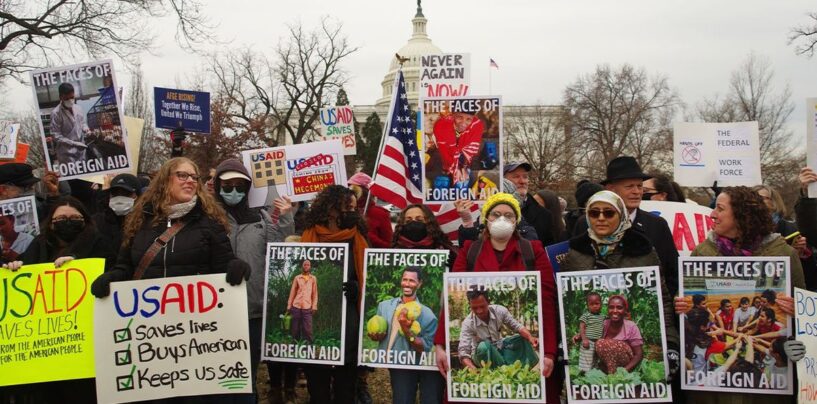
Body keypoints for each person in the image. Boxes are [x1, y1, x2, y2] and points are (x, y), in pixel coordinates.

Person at [674, 186, 806, 404]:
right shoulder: (703, 252)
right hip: (713, 396)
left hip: (766, 394)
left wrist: (797, 309)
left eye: (720, 209)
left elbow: (807, 309)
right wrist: (680, 304)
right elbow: (683, 297)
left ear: (741, 214)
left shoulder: (783, 253)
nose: (712, 214)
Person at [434, 192, 560, 404]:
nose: (502, 219)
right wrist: (440, 346)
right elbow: (449, 300)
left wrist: (547, 352)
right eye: (496, 214)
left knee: (520, 341)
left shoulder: (533, 251)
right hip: (483, 356)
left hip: (502, 349)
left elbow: (546, 302)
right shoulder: (469, 251)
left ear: (516, 221)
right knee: (484, 349)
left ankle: (524, 368)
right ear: (486, 219)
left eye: (509, 215)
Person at [2, 196, 116, 404]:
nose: (68, 222)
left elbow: (112, 274)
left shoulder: (100, 244)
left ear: (85, 220)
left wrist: (78, 264)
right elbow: (25, 281)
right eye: (61, 219)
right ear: (51, 223)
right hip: (48, 352)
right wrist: (15, 268)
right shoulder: (39, 245)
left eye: (74, 218)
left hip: (86, 348)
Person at [561, 190, 681, 374]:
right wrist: (561, 343)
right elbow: (562, 303)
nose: (601, 218)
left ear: (622, 215)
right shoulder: (575, 254)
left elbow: (662, 302)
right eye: (594, 213)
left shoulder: (643, 251)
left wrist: (671, 344)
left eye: (609, 213)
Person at [90, 157, 249, 293]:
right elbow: (125, 266)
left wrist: (235, 266)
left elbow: (224, 264)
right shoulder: (140, 220)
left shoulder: (210, 221)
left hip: (195, 314)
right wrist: (112, 277)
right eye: (182, 175)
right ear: (165, 180)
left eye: (194, 177)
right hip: (149, 312)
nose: (190, 181)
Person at [213, 157, 294, 403]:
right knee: (219, 373)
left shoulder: (261, 218)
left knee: (247, 372)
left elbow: (279, 252)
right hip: (216, 311)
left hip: (254, 309)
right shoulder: (208, 218)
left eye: (239, 186)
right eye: (227, 186)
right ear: (217, 186)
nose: (234, 191)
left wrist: (286, 218)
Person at [299, 185, 369, 404]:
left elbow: (368, 275)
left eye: (354, 208)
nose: (352, 212)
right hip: (316, 316)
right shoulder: (308, 236)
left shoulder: (358, 238)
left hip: (349, 319)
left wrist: (358, 288)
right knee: (318, 388)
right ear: (330, 209)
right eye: (347, 208)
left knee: (345, 388)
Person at [573, 156, 679, 296]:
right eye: (629, 186)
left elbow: (673, 274)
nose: (637, 192)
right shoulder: (585, 223)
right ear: (611, 189)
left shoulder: (657, 225)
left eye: (639, 186)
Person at [388, 204, 452, 404]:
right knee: (402, 398)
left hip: (435, 349)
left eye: (419, 220)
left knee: (432, 398)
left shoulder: (447, 251)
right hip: (402, 358)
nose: (413, 224)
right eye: (408, 220)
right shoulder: (391, 252)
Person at [457, 288, 540, 370]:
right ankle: (497, 370)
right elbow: (463, 352)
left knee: (522, 338)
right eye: (474, 308)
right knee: (483, 347)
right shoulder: (468, 323)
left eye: (482, 306)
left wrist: (530, 338)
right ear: (470, 305)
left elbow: (517, 327)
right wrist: (472, 369)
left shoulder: (499, 311)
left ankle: (519, 369)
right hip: (481, 354)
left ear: (488, 302)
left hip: (499, 347)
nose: (479, 311)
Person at [755, 184, 817, 290]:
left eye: (762, 198)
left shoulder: (791, 229)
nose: (756, 201)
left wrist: (801, 255)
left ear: (774, 202)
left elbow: (809, 277)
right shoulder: (741, 230)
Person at [368, 266, 436, 360]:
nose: (407, 284)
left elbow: (424, 349)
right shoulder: (384, 306)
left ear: (419, 284)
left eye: (411, 281)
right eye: (404, 280)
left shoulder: (428, 316)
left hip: (405, 366)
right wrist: (376, 336)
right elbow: (379, 334)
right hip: (381, 363)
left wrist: (406, 329)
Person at [503, 162, 555, 245]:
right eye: (516, 177)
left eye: (525, 177)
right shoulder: (492, 212)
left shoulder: (545, 215)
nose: (522, 181)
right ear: (503, 181)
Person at [432, 111, 483, 188]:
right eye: (460, 117)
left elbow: (469, 151)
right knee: (442, 182)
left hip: (462, 159)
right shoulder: (442, 124)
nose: (463, 123)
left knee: (462, 183)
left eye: (468, 119)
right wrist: (455, 169)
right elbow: (444, 151)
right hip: (444, 157)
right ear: (453, 115)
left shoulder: (476, 124)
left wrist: (463, 167)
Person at [595, 295, 644, 374]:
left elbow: (639, 354)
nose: (615, 311)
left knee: (603, 343)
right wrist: (580, 335)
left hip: (625, 364)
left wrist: (623, 372)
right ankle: (606, 370)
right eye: (611, 307)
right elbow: (590, 335)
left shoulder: (631, 326)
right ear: (608, 310)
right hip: (607, 363)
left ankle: (613, 373)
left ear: (625, 310)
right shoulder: (604, 324)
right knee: (597, 343)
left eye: (619, 308)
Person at [91, 173, 141, 251]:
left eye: (126, 194)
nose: (120, 197)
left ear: (138, 196)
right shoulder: (96, 221)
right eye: (115, 193)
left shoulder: (145, 225)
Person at [348, 172, 393, 248]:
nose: (350, 194)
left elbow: (389, 246)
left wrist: (368, 236)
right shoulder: (345, 212)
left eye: (354, 190)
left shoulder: (379, 213)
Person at [49, 83, 89, 168]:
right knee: (73, 175)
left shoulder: (78, 108)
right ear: (60, 97)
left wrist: (86, 129)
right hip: (66, 154)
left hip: (81, 150)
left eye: (72, 97)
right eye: (66, 98)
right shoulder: (56, 113)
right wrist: (73, 143)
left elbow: (82, 123)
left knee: (85, 172)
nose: (70, 100)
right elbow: (56, 136)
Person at [572, 292, 604, 373]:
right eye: (591, 304)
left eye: (597, 303)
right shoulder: (586, 316)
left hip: (598, 342)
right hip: (588, 341)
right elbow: (582, 327)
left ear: (601, 304)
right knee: (587, 359)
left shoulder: (602, 316)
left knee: (595, 359)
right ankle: (585, 374)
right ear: (587, 306)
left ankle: (593, 373)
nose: (594, 306)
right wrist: (584, 339)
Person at [288, 259, 318, 344]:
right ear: (302, 266)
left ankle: (309, 346)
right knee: (295, 328)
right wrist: (289, 305)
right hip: (296, 306)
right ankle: (294, 345)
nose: (306, 266)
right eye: (305, 264)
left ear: (310, 267)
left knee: (308, 328)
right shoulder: (297, 278)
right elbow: (292, 292)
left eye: (308, 265)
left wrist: (314, 306)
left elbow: (315, 294)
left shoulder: (313, 278)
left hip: (307, 307)